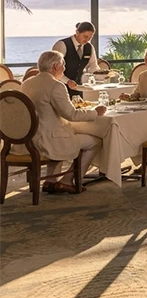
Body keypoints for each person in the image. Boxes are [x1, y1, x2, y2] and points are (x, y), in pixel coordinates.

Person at [13, 50, 106, 194]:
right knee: (95, 142)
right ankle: (68, 180)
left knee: (64, 132)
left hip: (26, 140)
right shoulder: (56, 85)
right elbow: (71, 114)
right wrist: (96, 113)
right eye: (63, 65)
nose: (64, 69)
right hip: (46, 141)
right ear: (56, 66)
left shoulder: (26, 83)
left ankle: (51, 181)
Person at [52, 21, 101, 97]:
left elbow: (93, 66)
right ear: (77, 32)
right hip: (60, 87)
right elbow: (54, 69)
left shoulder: (89, 47)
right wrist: (67, 81)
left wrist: (102, 76)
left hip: (78, 88)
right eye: (85, 36)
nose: (87, 40)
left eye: (90, 38)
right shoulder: (62, 45)